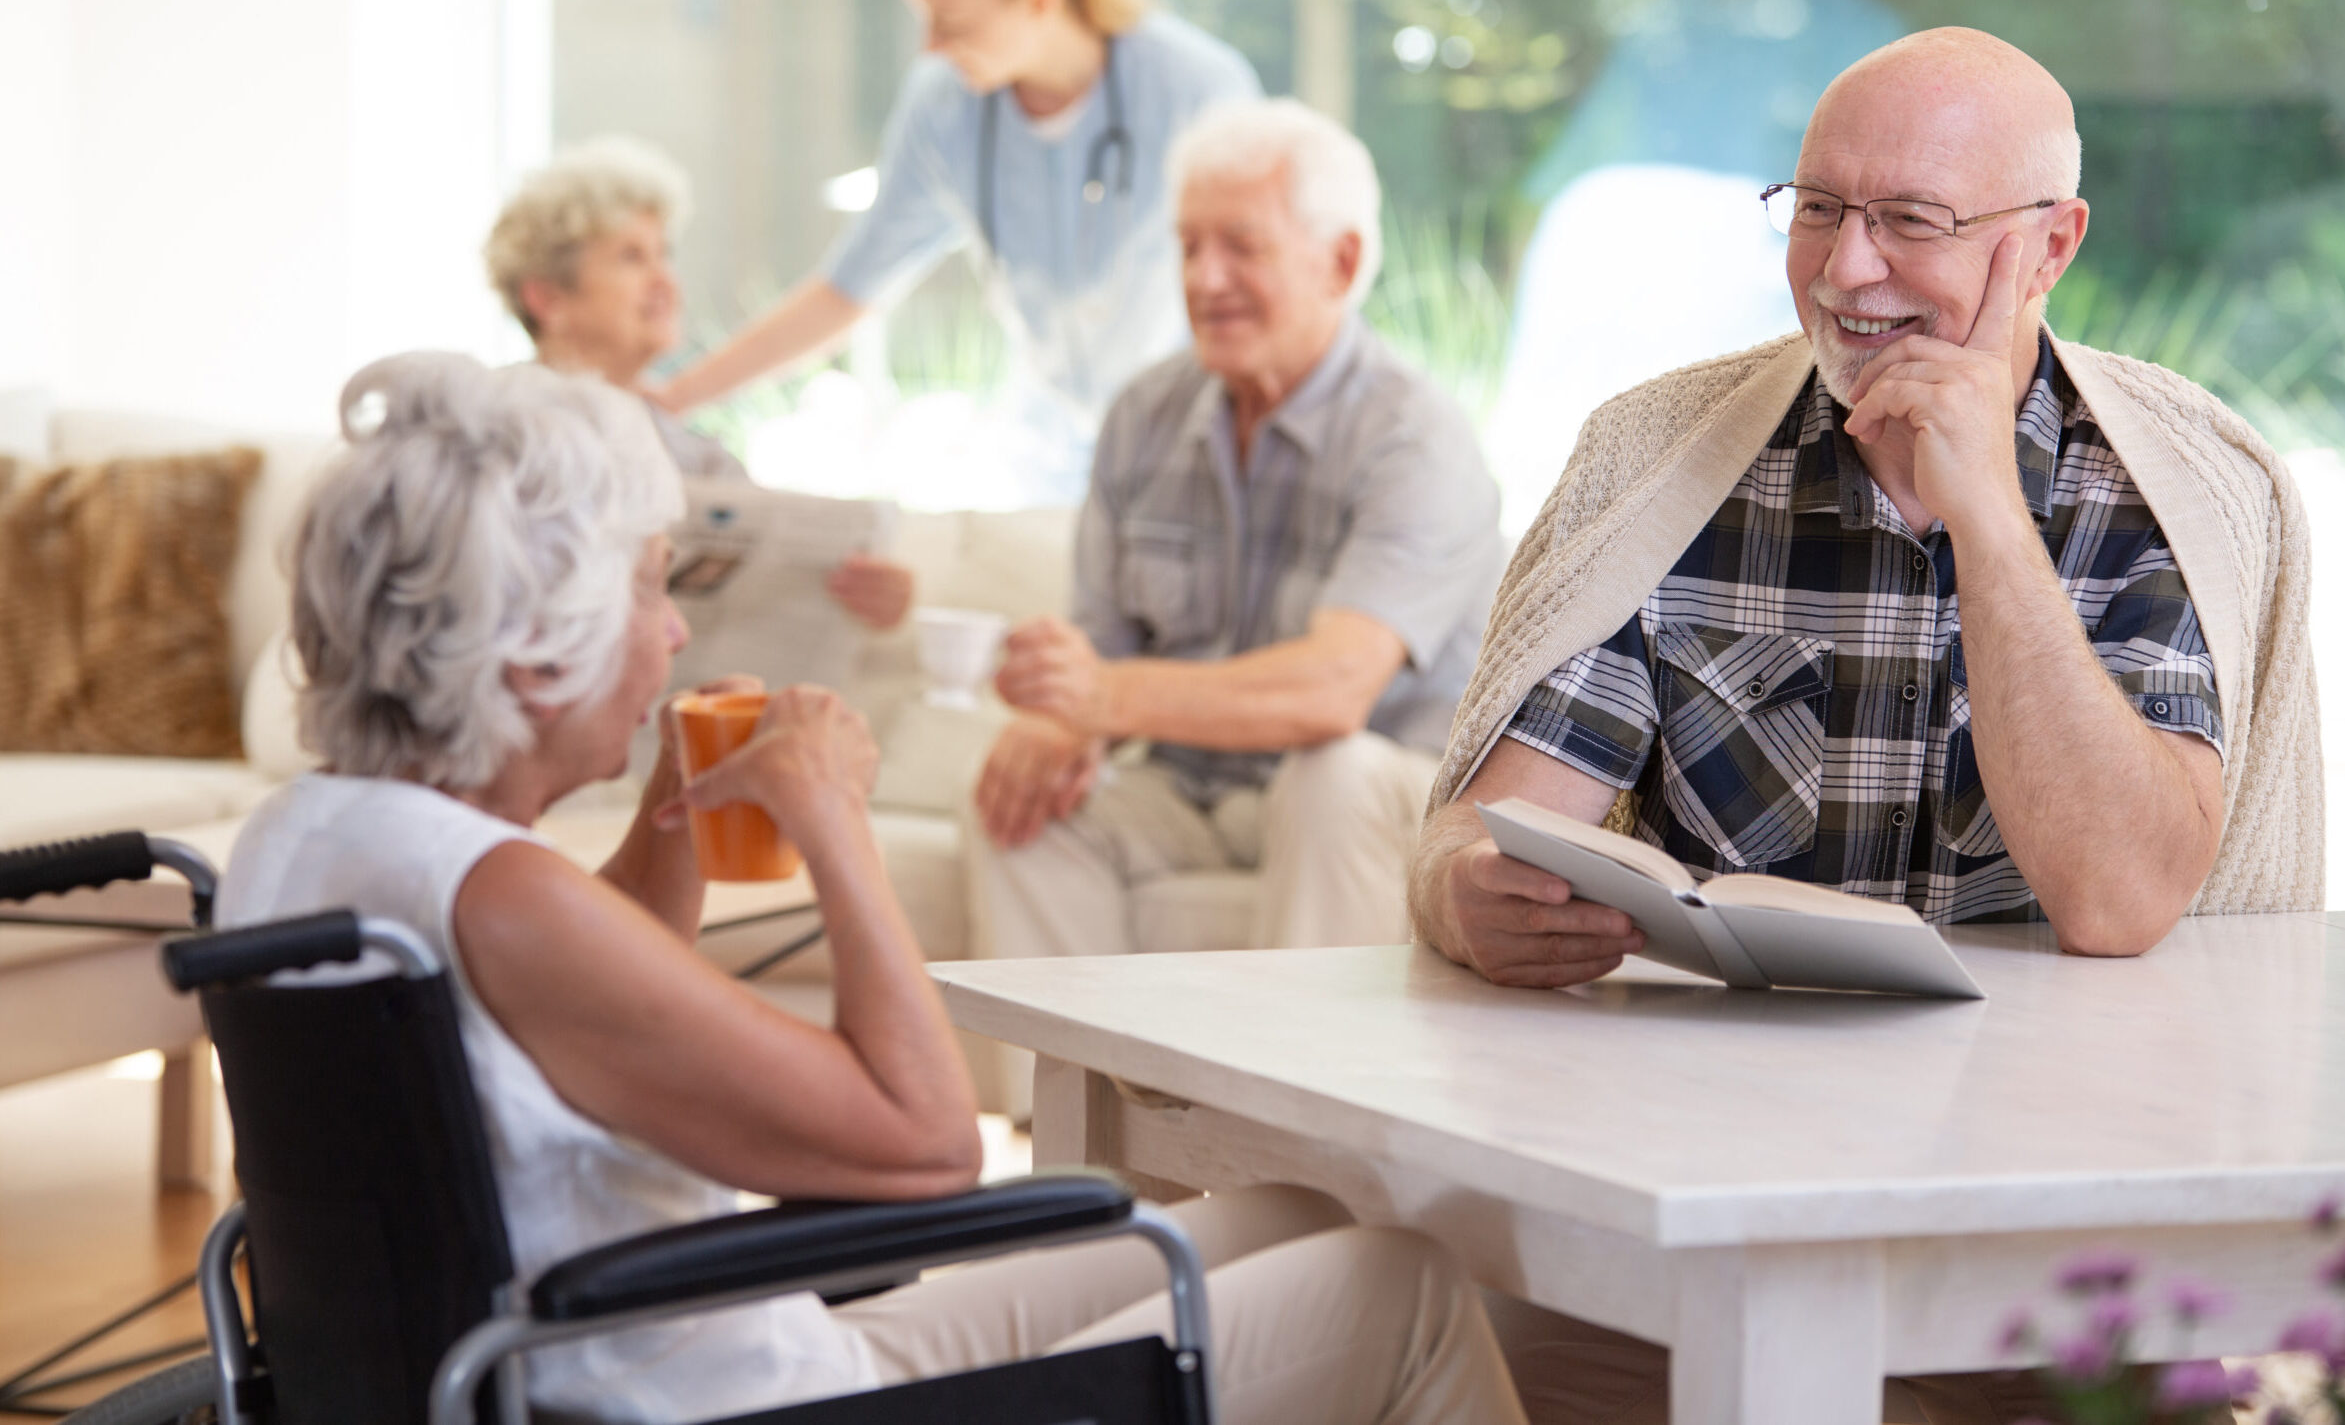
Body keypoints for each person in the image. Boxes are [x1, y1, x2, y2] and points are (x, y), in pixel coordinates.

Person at [220, 352, 1533, 1425]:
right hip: (730, 1396)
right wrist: (833, 819)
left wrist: (687, 786)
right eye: (647, 590)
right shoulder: (505, 896)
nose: (675, 630)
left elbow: (577, 1000)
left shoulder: (315, 842)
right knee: (1398, 1285)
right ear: (529, 651)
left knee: (1294, 1213)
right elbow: (921, 1148)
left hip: (638, 1349)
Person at [1411, 27, 2320, 1424]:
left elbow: (2122, 895)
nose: (1844, 270)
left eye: (1910, 221)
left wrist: (1989, 526)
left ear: (2049, 246)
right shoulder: (1659, 460)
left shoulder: (2178, 491)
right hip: (1704, 1211)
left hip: (2055, 1255)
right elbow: (1484, 833)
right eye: (1820, 208)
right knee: (1404, 1310)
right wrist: (1475, 899)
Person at [969, 99, 1502, 1025]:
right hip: (1192, 784)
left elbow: (1330, 691)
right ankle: (1064, 1148)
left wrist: (1104, 699)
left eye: (1240, 247)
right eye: (1187, 247)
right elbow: (1097, 655)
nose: (1203, 279)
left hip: (1375, 789)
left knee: (1326, 774)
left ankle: (1307, 1131)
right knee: (1016, 807)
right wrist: (1061, 719)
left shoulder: (1415, 437)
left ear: (1337, 262)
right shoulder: (1145, 414)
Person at [649, 0, 1261, 499]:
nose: (931, 47)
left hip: (1191, 457)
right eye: (924, 18)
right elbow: (849, 289)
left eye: (954, 22)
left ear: (1040, 1)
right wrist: (675, 397)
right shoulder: (946, 105)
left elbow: (1262, 290)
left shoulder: (1193, 89)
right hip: (1044, 464)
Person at [483, 135, 912, 629]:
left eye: (664, 255)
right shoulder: (490, 429)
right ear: (547, 297)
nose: (665, 280)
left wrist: (873, 596)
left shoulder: (698, 455)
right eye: (631, 257)